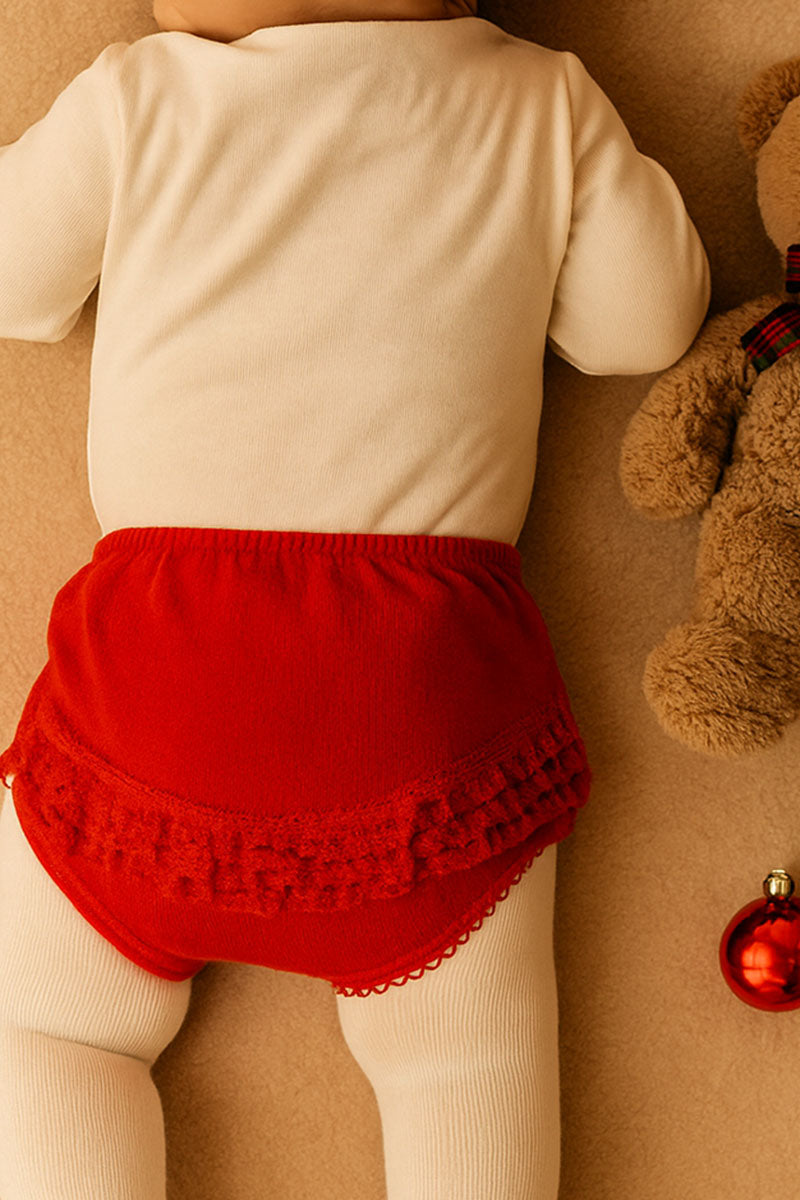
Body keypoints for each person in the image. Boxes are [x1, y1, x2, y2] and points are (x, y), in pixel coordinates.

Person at [0, 0, 710, 1195]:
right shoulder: (539, 102)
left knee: (44, 1035)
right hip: (420, 718)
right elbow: (640, 328)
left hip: (158, 695)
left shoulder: (144, 97)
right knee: (460, 1072)